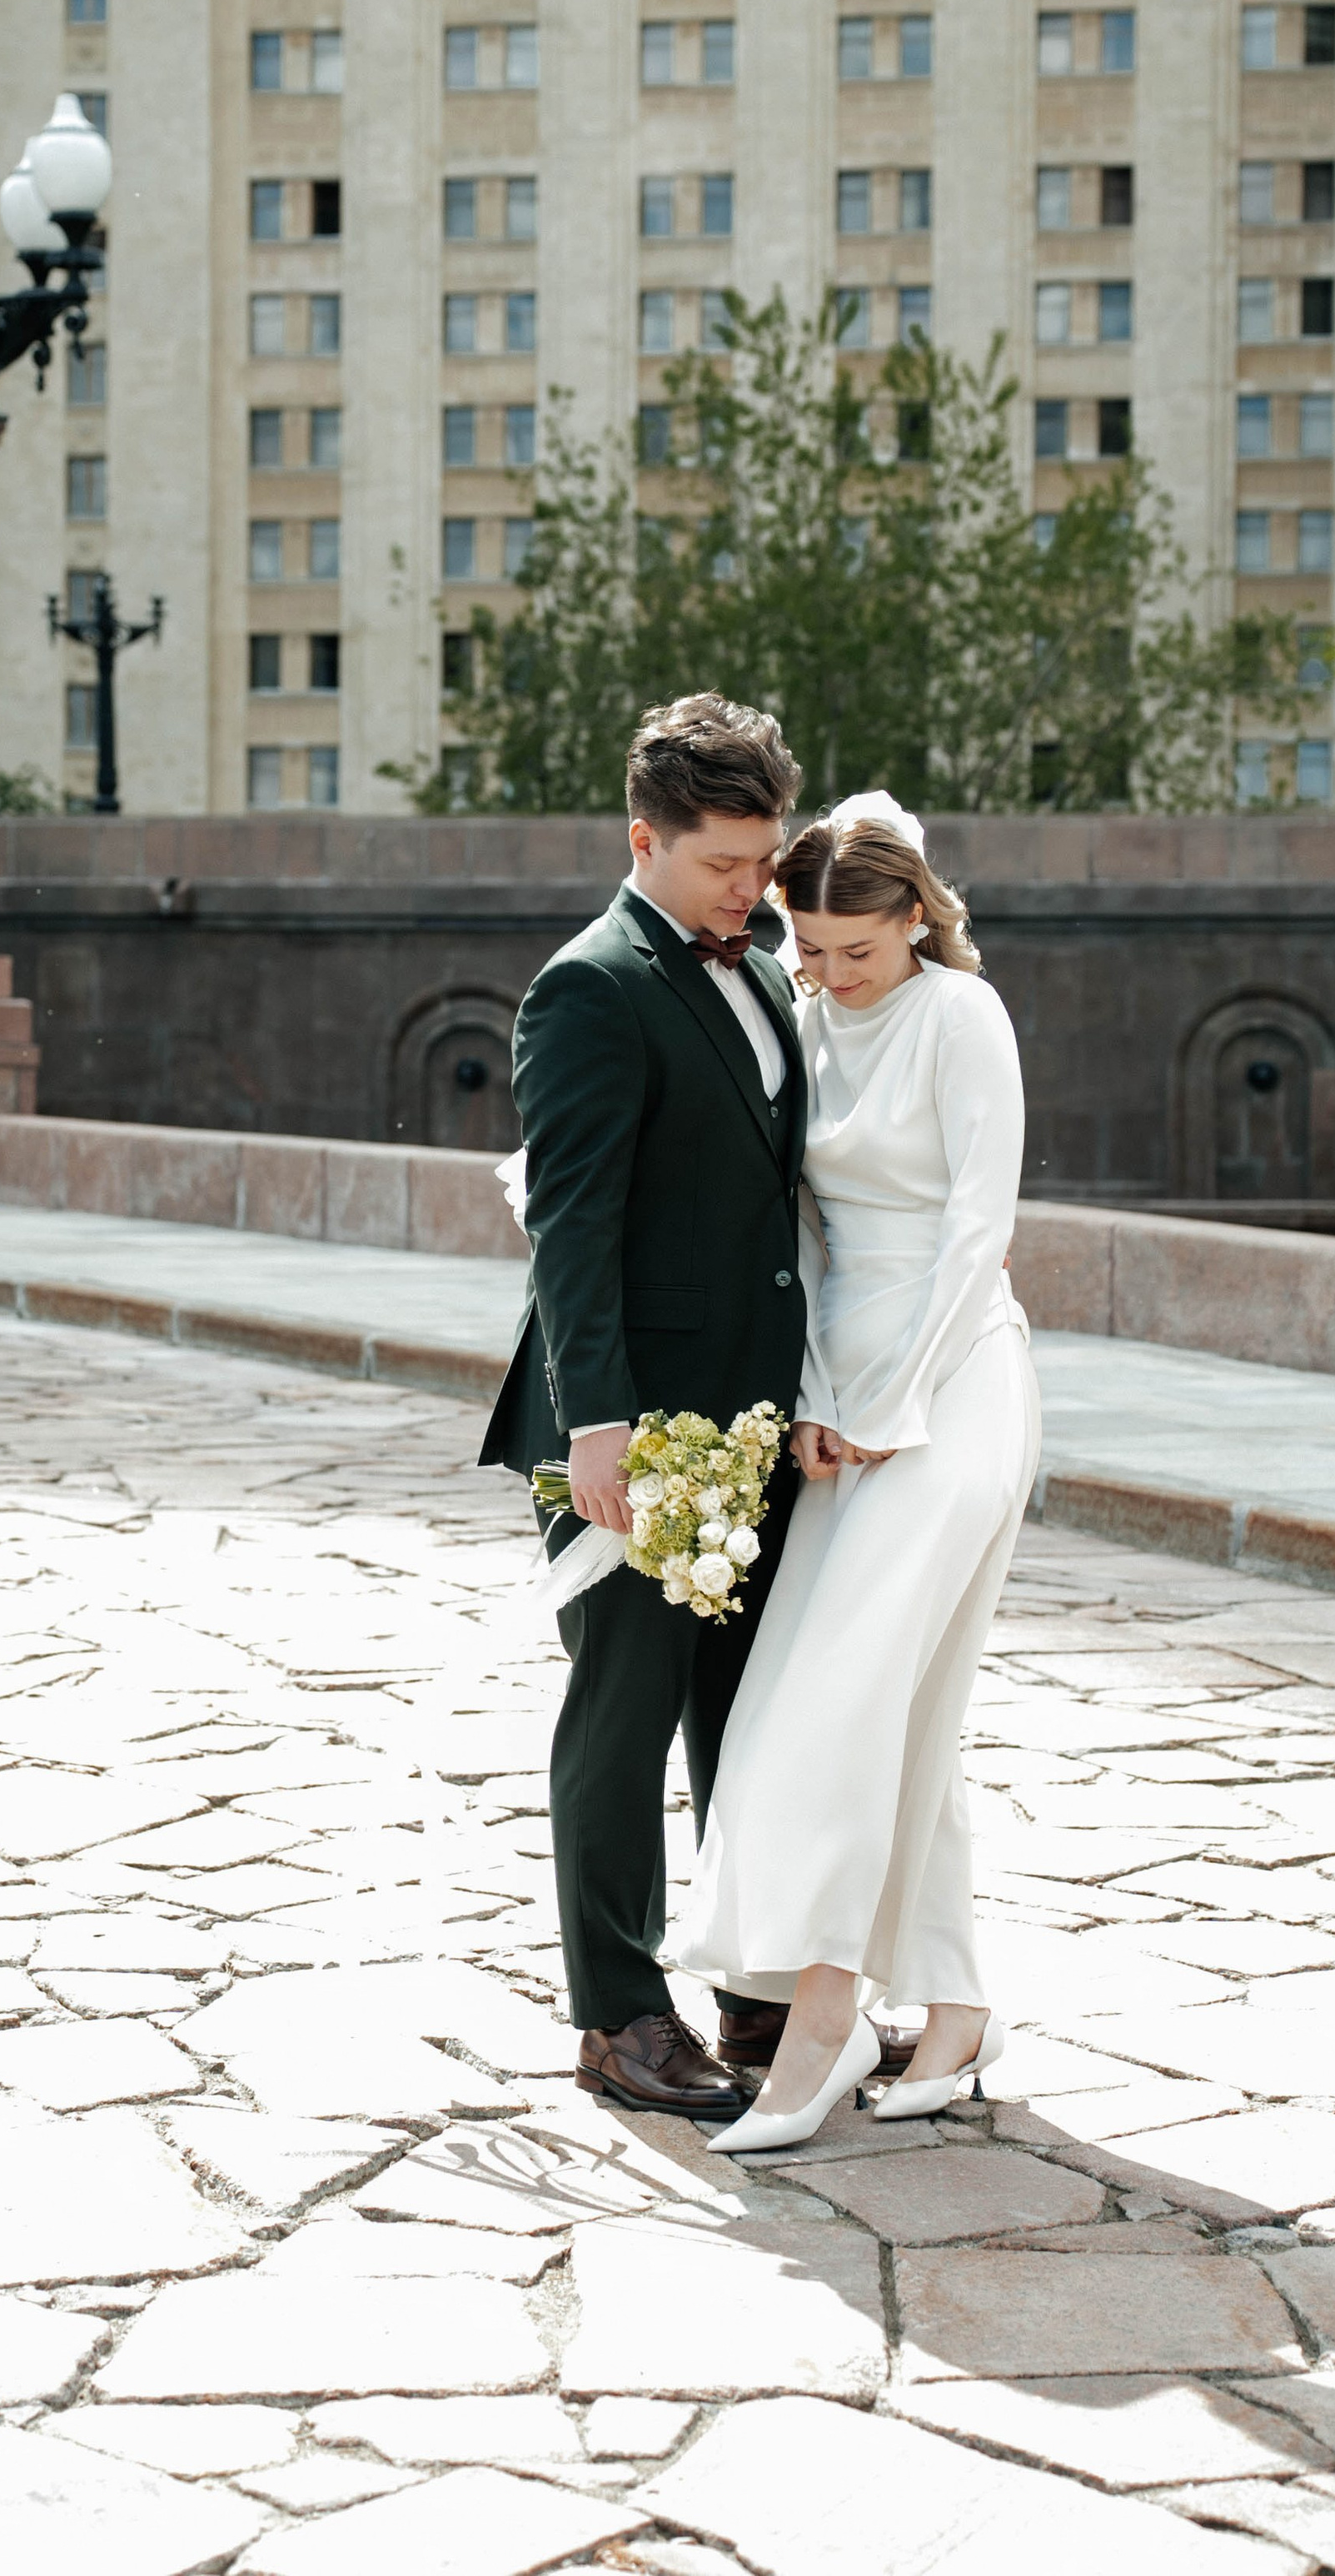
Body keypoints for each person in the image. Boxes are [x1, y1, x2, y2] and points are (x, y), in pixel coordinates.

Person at [672, 794, 1042, 2151]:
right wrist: (825, 1398)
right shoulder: (806, 1020)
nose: (826, 976)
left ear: (915, 920)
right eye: (806, 949)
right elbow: (811, 1233)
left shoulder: (961, 1017)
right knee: (904, 1707)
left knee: (838, 1694)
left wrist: (894, 1399)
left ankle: (820, 2025)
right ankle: (952, 2010)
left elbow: (977, 1229)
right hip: (848, 1400)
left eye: (854, 953)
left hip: (960, 1389)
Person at [481, 694, 813, 2123]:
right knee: (621, 1718)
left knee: (749, 1711)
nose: (755, 889)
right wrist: (598, 1426)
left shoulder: (769, 965)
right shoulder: (589, 987)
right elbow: (571, 1226)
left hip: (759, 1409)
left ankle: (750, 1981)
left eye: (764, 858)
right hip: (630, 1427)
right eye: (725, 866)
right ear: (644, 841)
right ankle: (619, 2016)